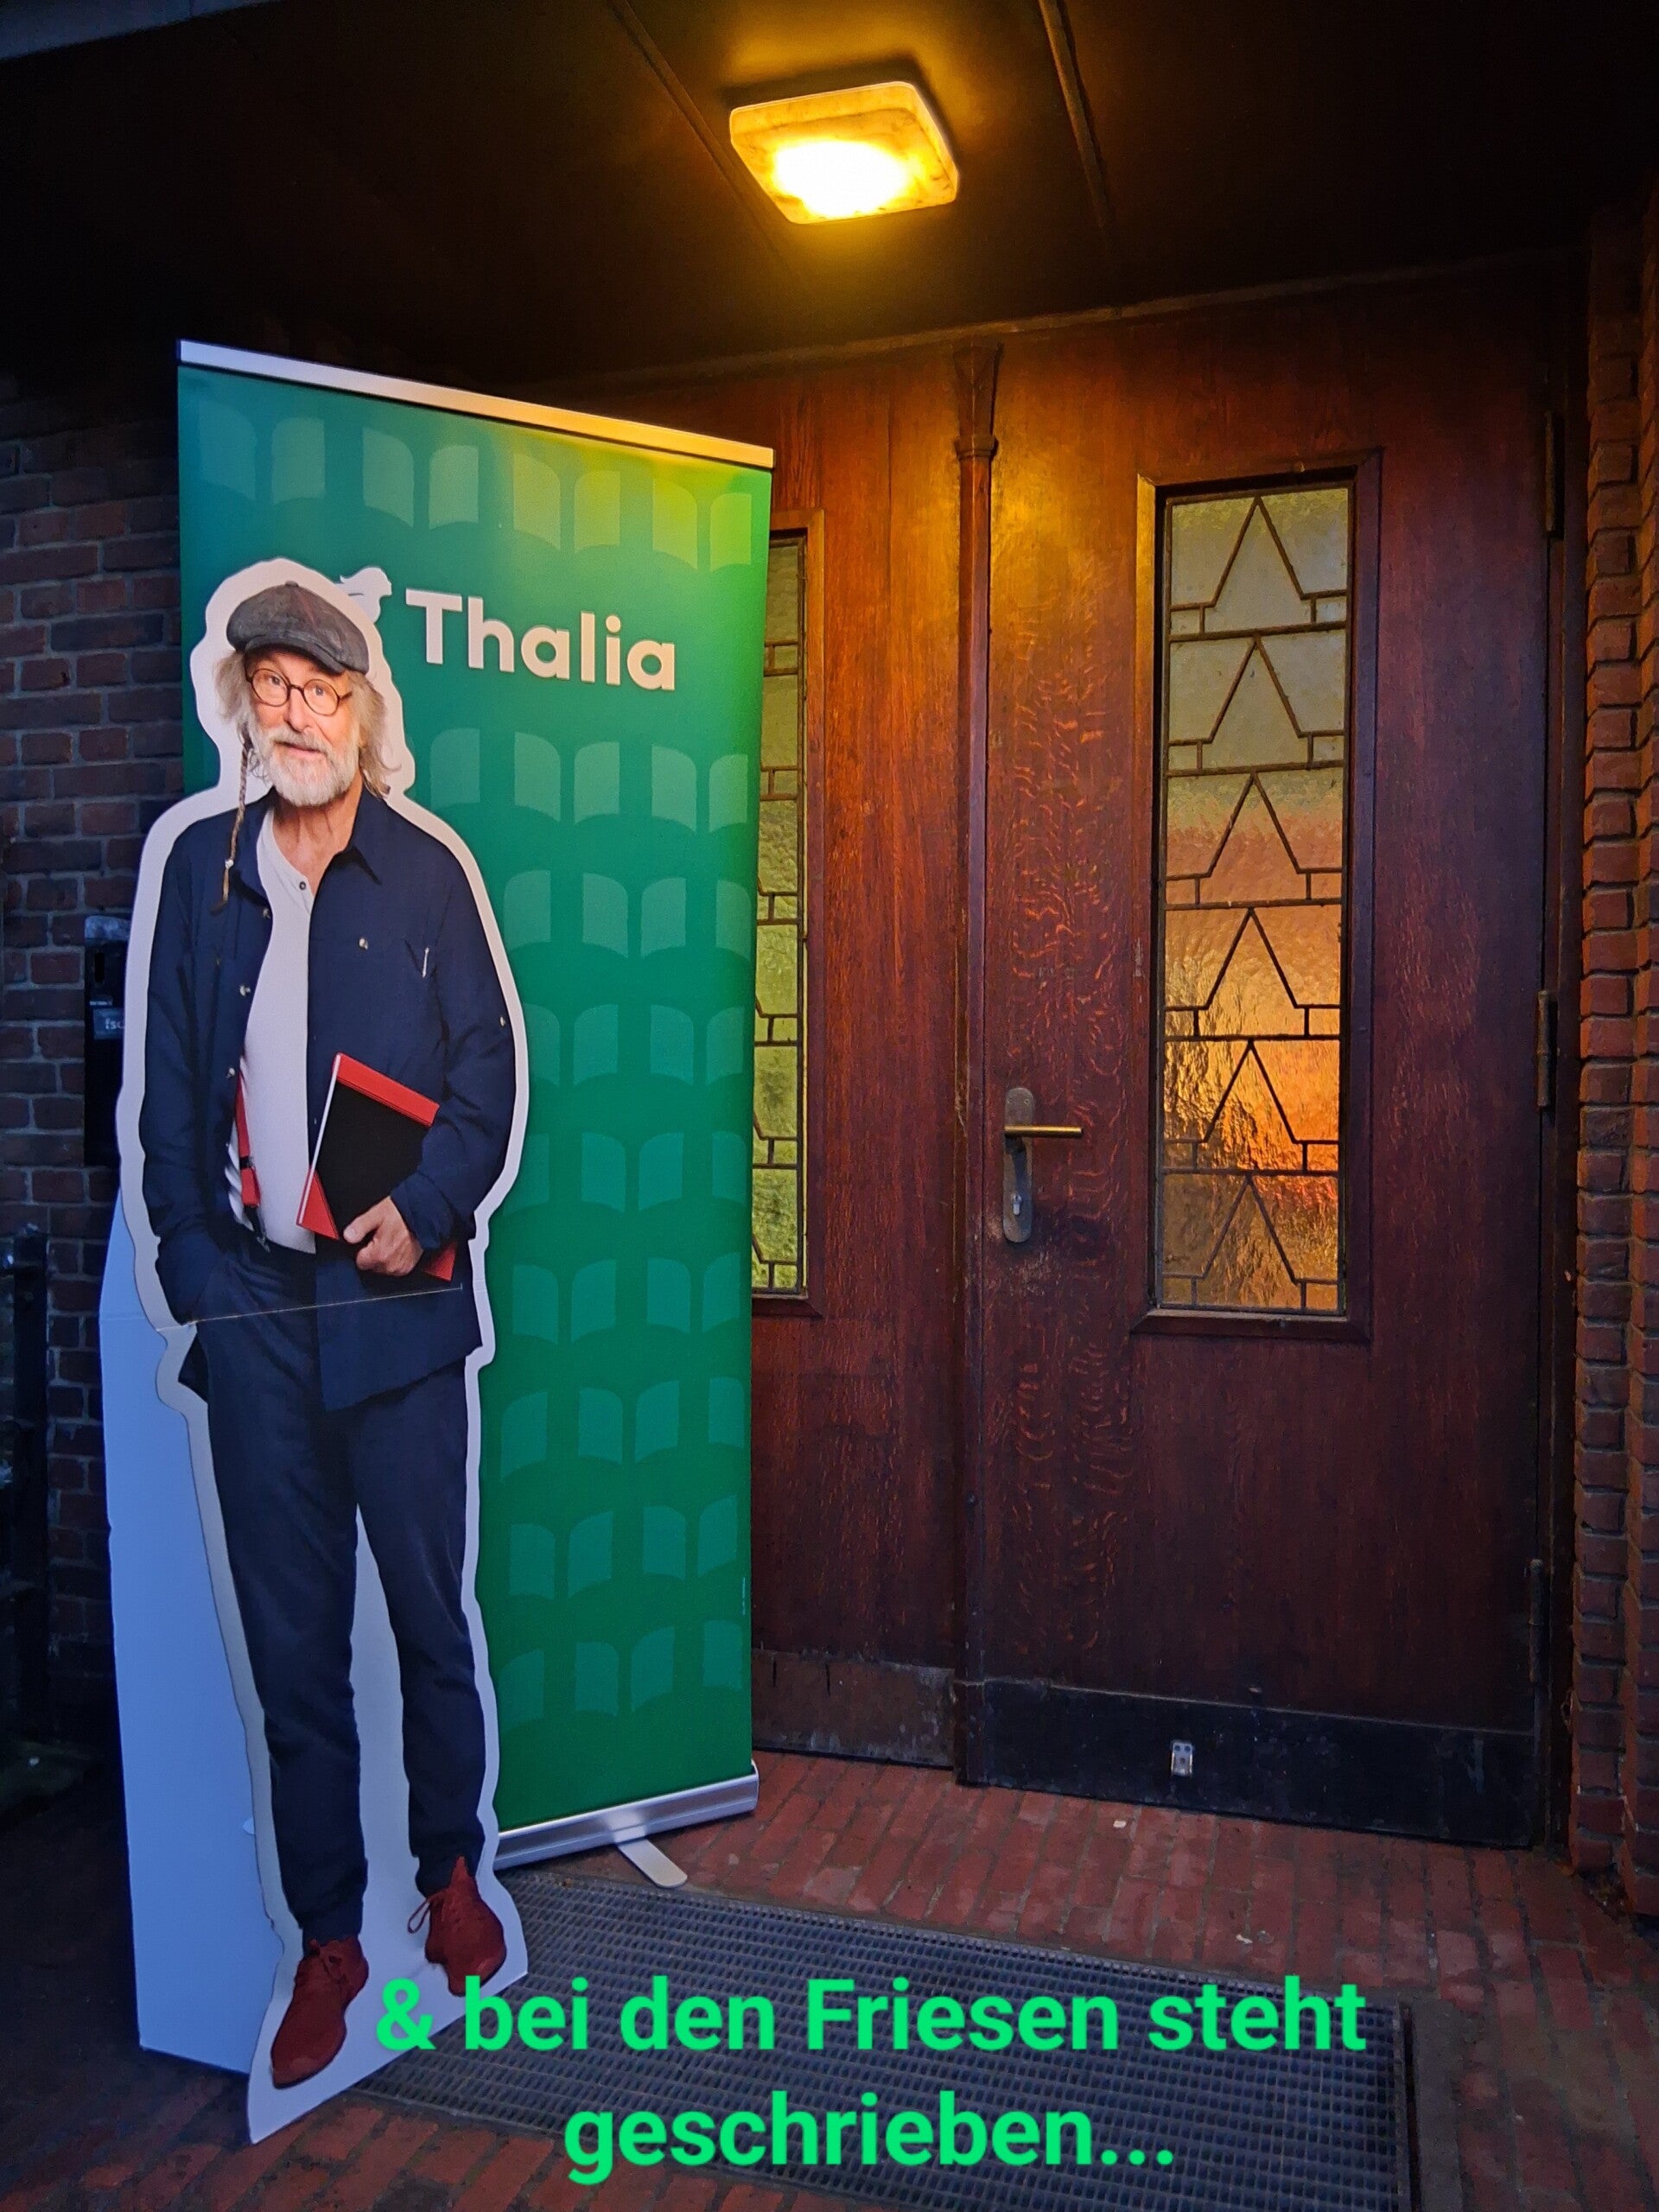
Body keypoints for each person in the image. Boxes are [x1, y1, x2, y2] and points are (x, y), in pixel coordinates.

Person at [141, 582, 518, 2088]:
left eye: (323, 689)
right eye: (275, 687)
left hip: (400, 1309)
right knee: (293, 1648)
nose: (297, 712)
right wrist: (191, 1268)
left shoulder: (426, 873)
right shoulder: (202, 870)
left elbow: (487, 1074)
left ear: (361, 710)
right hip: (256, 1312)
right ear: (245, 704)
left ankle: (451, 1878)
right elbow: (169, 1086)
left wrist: (425, 1207)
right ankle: (328, 1940)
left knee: (426, 1617)